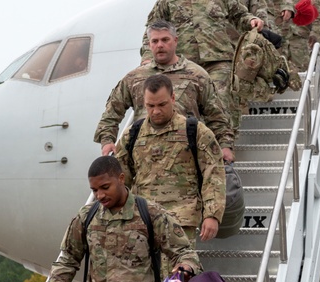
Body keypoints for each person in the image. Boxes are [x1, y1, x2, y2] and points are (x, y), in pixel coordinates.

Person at [38, 155, 200, 282]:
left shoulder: (151, 214)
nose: (100, 195)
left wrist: (186, 266)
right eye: (94, 190)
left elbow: (184, 251)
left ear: (121, 179)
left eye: (105, 187)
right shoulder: (86, 217)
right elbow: (68, 258)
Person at [96, 20, 235, 162]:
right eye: (155, 41)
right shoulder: (134, 78)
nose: (160, 45)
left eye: (165, 40)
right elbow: (112, 112)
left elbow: (217, 116)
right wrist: (107, 141)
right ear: (149, 44)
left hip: (185, 160)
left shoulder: (197, 75)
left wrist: (225, 145)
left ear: (175, 41)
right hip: (143, 160)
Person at [115, 74, 226, 244]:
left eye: (162, 104)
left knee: (178, 270)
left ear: (173, 98)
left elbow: (214, 174)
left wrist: (212, 215)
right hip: (143, 220)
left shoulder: (195, 131)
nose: (156, 111)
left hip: (181, 221)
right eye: (150, 106)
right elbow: (121, 179)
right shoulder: (132, 135)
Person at [145, 0, 265, 132]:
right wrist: (147, 56)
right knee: (182, 105)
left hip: (218, 59)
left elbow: (239, 14)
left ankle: (224, 145)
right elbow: (152, 28)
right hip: (184, 64)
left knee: (221, 102)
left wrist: (251, 20)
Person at [277, 0, 320, 73]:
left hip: (300, 42)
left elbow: (318, 19)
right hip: (281, 39)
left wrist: (314, 34)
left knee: (301, 72)